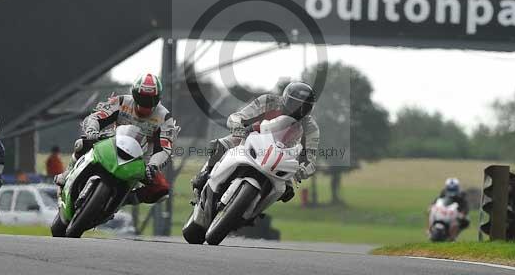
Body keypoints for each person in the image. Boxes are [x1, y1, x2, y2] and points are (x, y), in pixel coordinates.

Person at [55, 73, 179, 204]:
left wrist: (154, 164)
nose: (144, 104)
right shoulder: (121, 101)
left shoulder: (165, 117)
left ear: (158, 99)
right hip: (113, 145)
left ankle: (124, 200)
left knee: (162, 191)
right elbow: (97, 116)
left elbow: (165, 148)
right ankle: (68, 173)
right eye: (140, 98)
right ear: (134, 94)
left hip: (142, 162)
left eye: (150, 100)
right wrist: (92, 130)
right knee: (81, 144)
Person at [191, 81, 320, 203]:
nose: (299, 110)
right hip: (252, 137)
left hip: (282, 157)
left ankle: (255, 209)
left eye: (305, 107)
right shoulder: (268, 101)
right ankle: (205, 174)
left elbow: (311, 160)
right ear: (285, 98)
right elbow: (238, 116)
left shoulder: (311, 127)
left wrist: (302, 170)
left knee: (288, 190)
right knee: (221, 145)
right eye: (295, 104)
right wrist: (237, 126)